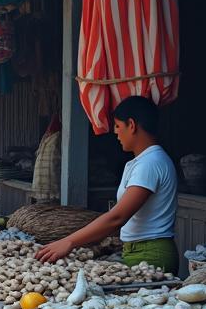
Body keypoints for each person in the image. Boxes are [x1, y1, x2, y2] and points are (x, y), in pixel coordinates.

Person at [36, 96, 179, 272]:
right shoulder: (141, 161)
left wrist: (68, 242)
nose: (116, 132)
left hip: (150, 254)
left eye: (118, 126)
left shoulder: (150, 163)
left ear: (132, 125)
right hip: (138, 250)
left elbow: (118, 217)